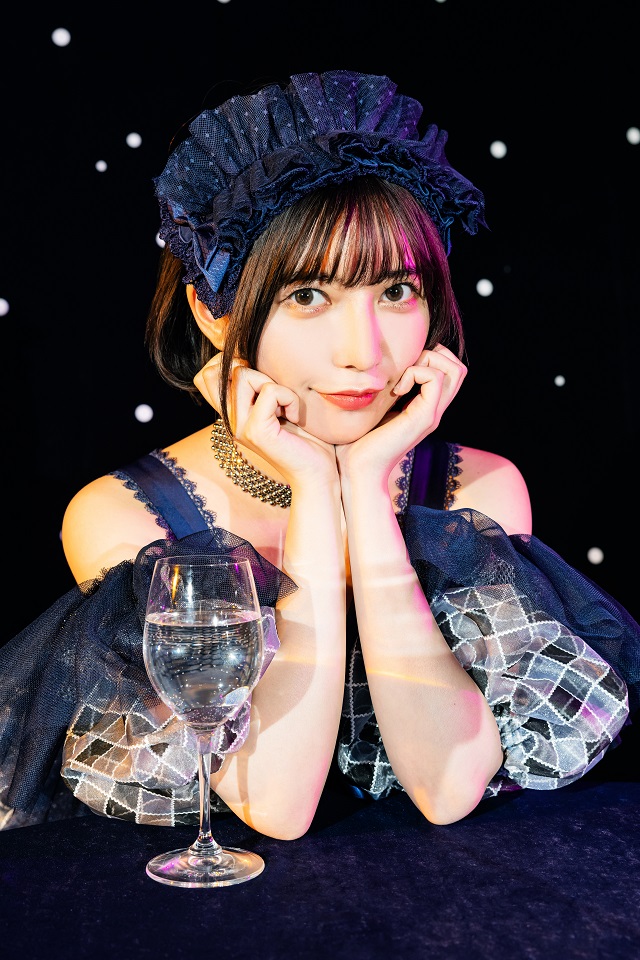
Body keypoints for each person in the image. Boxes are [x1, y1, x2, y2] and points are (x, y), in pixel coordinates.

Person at [1, 70, 638, 837]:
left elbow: (446, 789)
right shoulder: (128, 516)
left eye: (396, 292)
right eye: (308, 296)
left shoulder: (480, 490)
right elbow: (276, 804)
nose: (362, 352)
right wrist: (311, 485)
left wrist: (363, 487)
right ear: (212, 310)